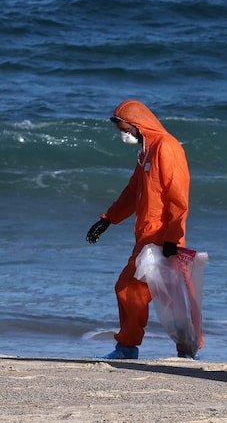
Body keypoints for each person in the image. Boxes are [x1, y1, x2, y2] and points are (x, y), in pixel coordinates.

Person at [85, 100, 193, 359]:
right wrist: (108, 219)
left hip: (163, 237)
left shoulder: (166, 147)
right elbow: (133, 191)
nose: (123, 135)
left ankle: (173, 351)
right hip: (146, 238)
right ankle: (133, 348)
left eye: (125, 129)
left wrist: (172, 239)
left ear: (138, 125)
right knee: (144, 292)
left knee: (163, 296)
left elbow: (179, 197)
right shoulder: (147, 151)